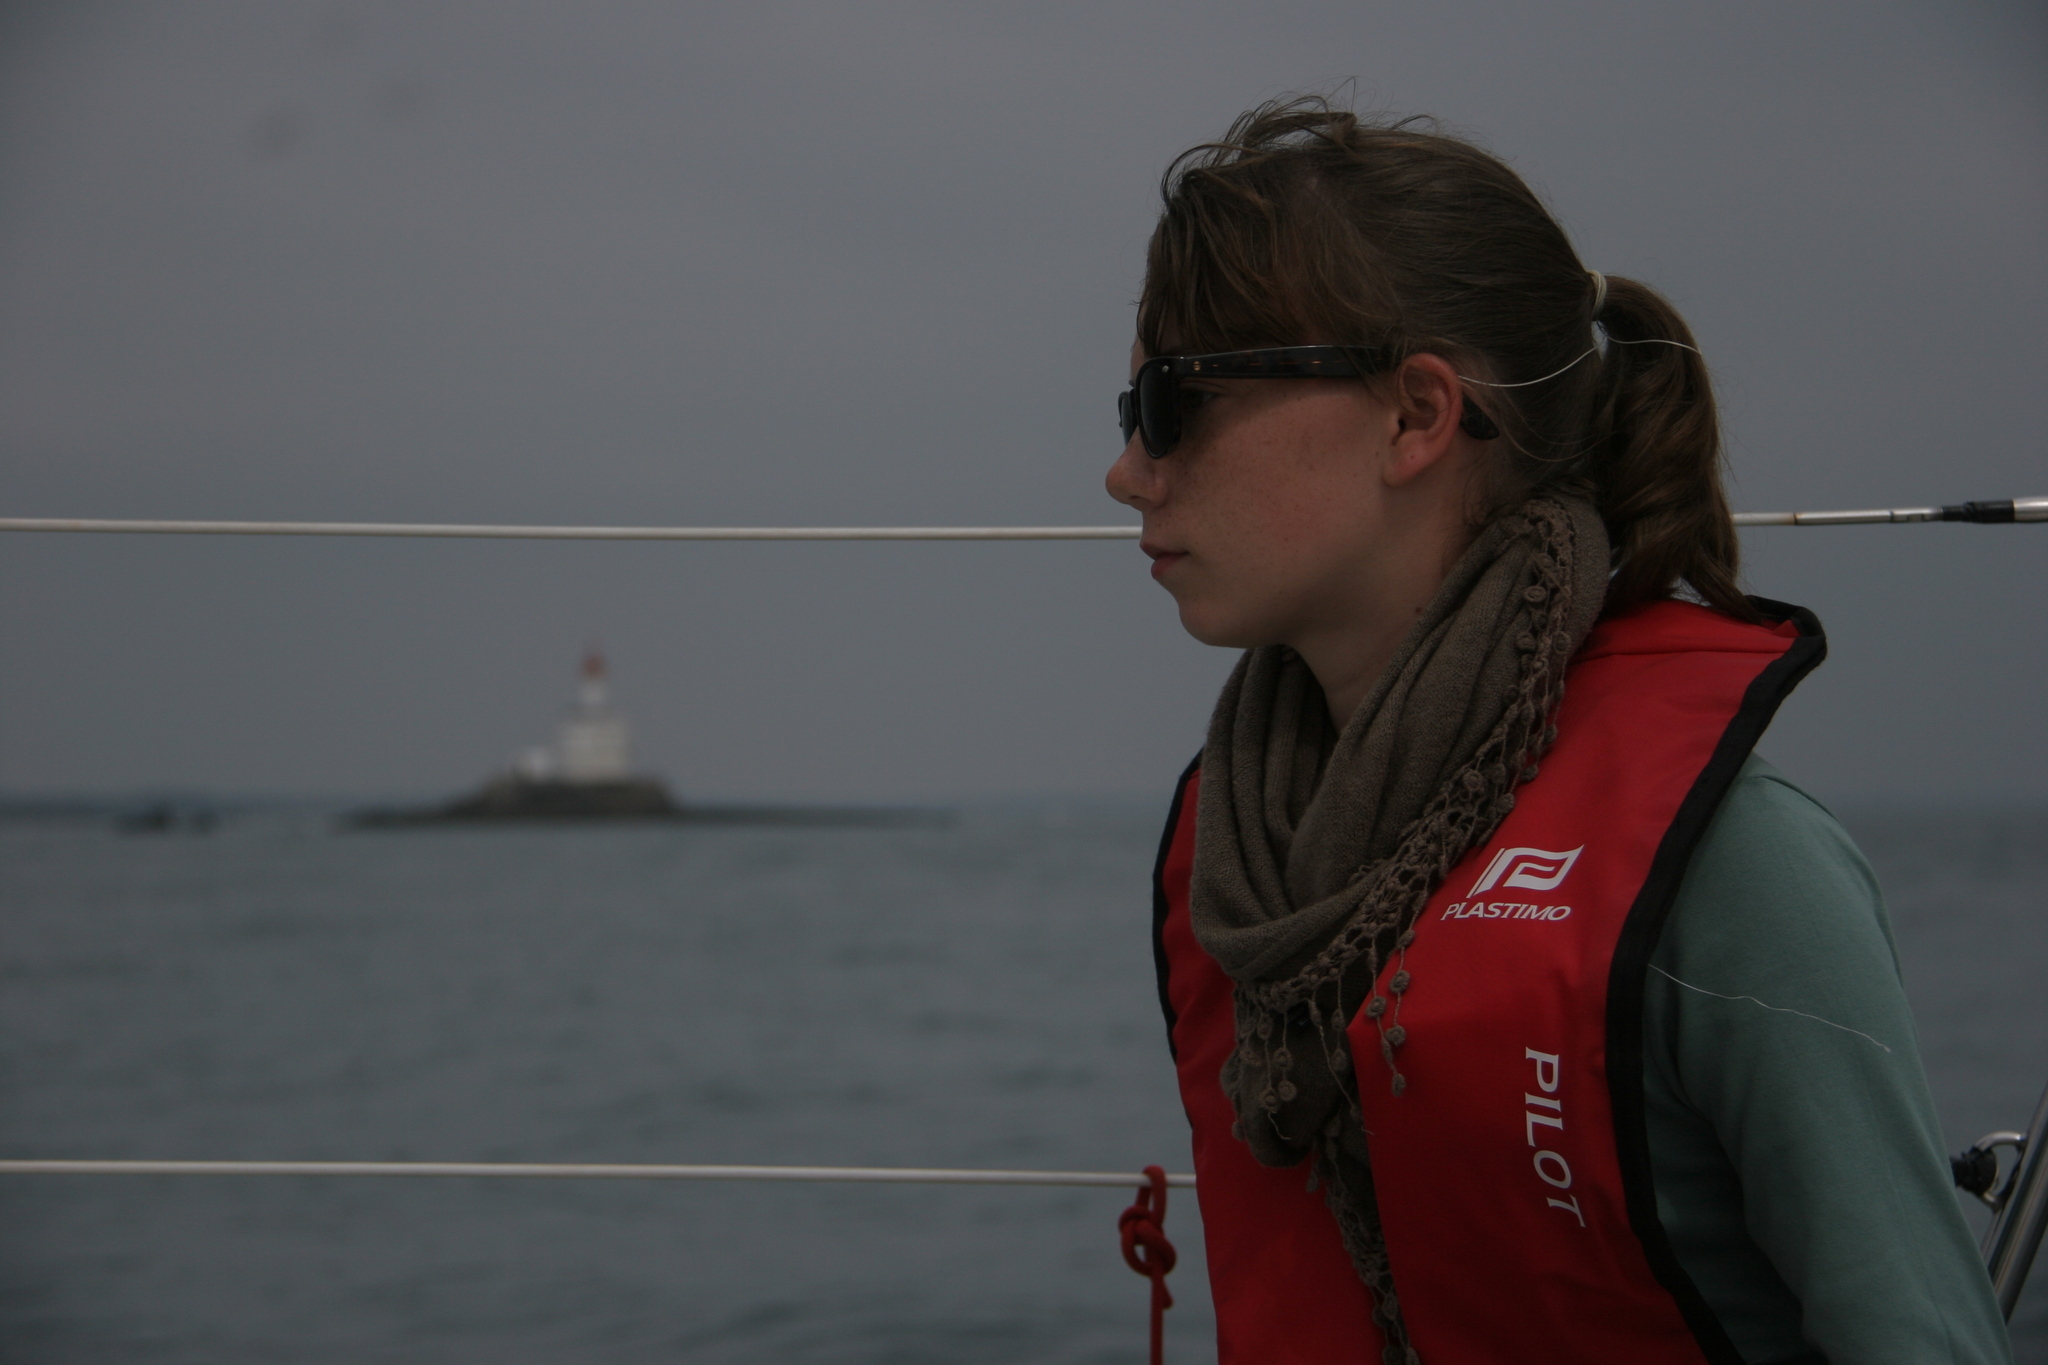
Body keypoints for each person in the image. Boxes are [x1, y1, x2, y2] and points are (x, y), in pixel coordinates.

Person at [1105, 98, 2011, 1365]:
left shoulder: (1730, 869)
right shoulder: (1247, 852)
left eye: (1175, 402)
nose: (1127, 472)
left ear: (1415, 416)